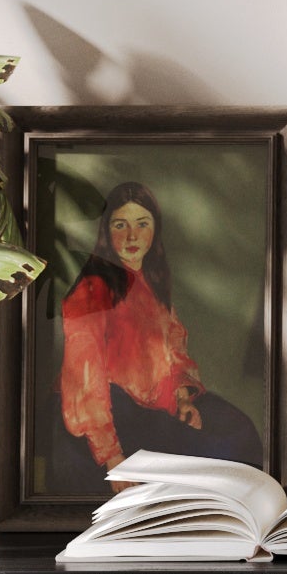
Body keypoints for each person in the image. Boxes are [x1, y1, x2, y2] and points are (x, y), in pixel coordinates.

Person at [56, 181, 261, 477]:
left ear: (155, 229)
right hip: (112, 413)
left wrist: (183, 399)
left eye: (142, 224)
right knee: (217, 454)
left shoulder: (151, 282)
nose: (131, 236)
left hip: (161, 404)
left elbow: (173, 347)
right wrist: (112, 455)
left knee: (239, 430)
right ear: (106, 230)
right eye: (120, 225)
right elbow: (85, 377)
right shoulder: (93, 288)